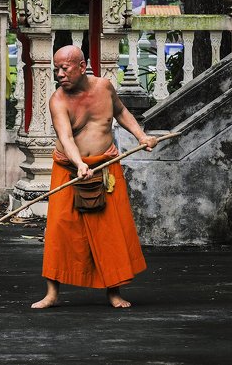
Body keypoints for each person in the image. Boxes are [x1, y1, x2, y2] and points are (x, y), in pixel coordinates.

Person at [31, 45, 159, 309]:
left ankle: (114, 292)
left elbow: (121, 112)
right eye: (56, 69)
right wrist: (78, 164)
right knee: (60, 228)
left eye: (64, 68)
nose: (59, 74)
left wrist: (141, 136)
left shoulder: (104, 87)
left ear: (81, 66)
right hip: (70, 168)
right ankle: (52, 294)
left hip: (105, 166)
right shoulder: (58, 100)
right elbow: (66, 137)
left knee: (109, 230)